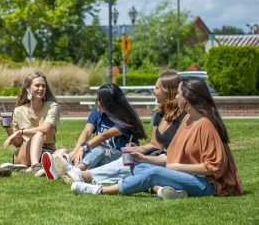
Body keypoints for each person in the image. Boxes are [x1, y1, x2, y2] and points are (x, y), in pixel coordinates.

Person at [71, 77, 243, 199]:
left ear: (188, 98)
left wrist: (177, 167)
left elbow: (214, 168)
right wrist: (143, 157)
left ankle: (99, 191)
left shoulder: (205, 124)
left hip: (206, 185)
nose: (176, 96)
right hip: (187, 176)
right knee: (138, 167)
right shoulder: (187, 120)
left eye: (180, 93)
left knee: (152, 173)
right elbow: (170, 157)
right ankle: (167, 189)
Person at [56, 71, 186, 184]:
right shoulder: (159, 114)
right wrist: (136, 149)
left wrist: (143, 156)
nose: (153, 91)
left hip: (169, 161)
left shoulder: (183, 117)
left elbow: (104, 136)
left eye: (157, 88)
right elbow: (154, 144)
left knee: (124, 163)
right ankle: (73, 170)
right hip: (152, 156)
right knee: (125, 161)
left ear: (168, 91)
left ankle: (79, 174)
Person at [44, 84, 147, 180]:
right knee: (63, 151)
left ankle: (75, 170)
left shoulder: (125, 118)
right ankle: (59, 169)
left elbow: (104, 135)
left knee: (100, 149)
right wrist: (77, 150)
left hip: (121, 157)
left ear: (109, 103)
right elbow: (87, 132)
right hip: (98, 154)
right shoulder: (96, 113)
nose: (96, 102)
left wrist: (83, 147)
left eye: (99, 100)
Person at [2, 72, 61, 176]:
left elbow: (46, 128)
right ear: (28, 88)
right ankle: (35, 166)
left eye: (43, 86)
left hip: (48, 150)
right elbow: (18, 143)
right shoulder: (19, 111)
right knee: (38, 135)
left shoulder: (52, 106)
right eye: (37, 85)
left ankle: (26, 170)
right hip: (26, 153)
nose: (41, 88)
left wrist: (20, 132)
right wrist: (7, 127)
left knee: (64, 152)